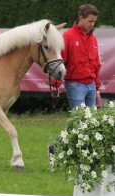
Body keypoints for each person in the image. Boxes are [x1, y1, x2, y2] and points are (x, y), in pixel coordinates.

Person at [48, 4, 102, 161]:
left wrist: (97, 90)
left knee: (88, 124)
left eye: (94, 21)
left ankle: (75, 154)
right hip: (75, 85)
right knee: (80, 123)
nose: (92, 24)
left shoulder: (93, 38)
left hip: (91, 85)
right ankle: (57, 149)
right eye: (90, 21)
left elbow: (96, 65)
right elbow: (59, 63)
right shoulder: (68, 37)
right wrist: (56, 84)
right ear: (81, 18)